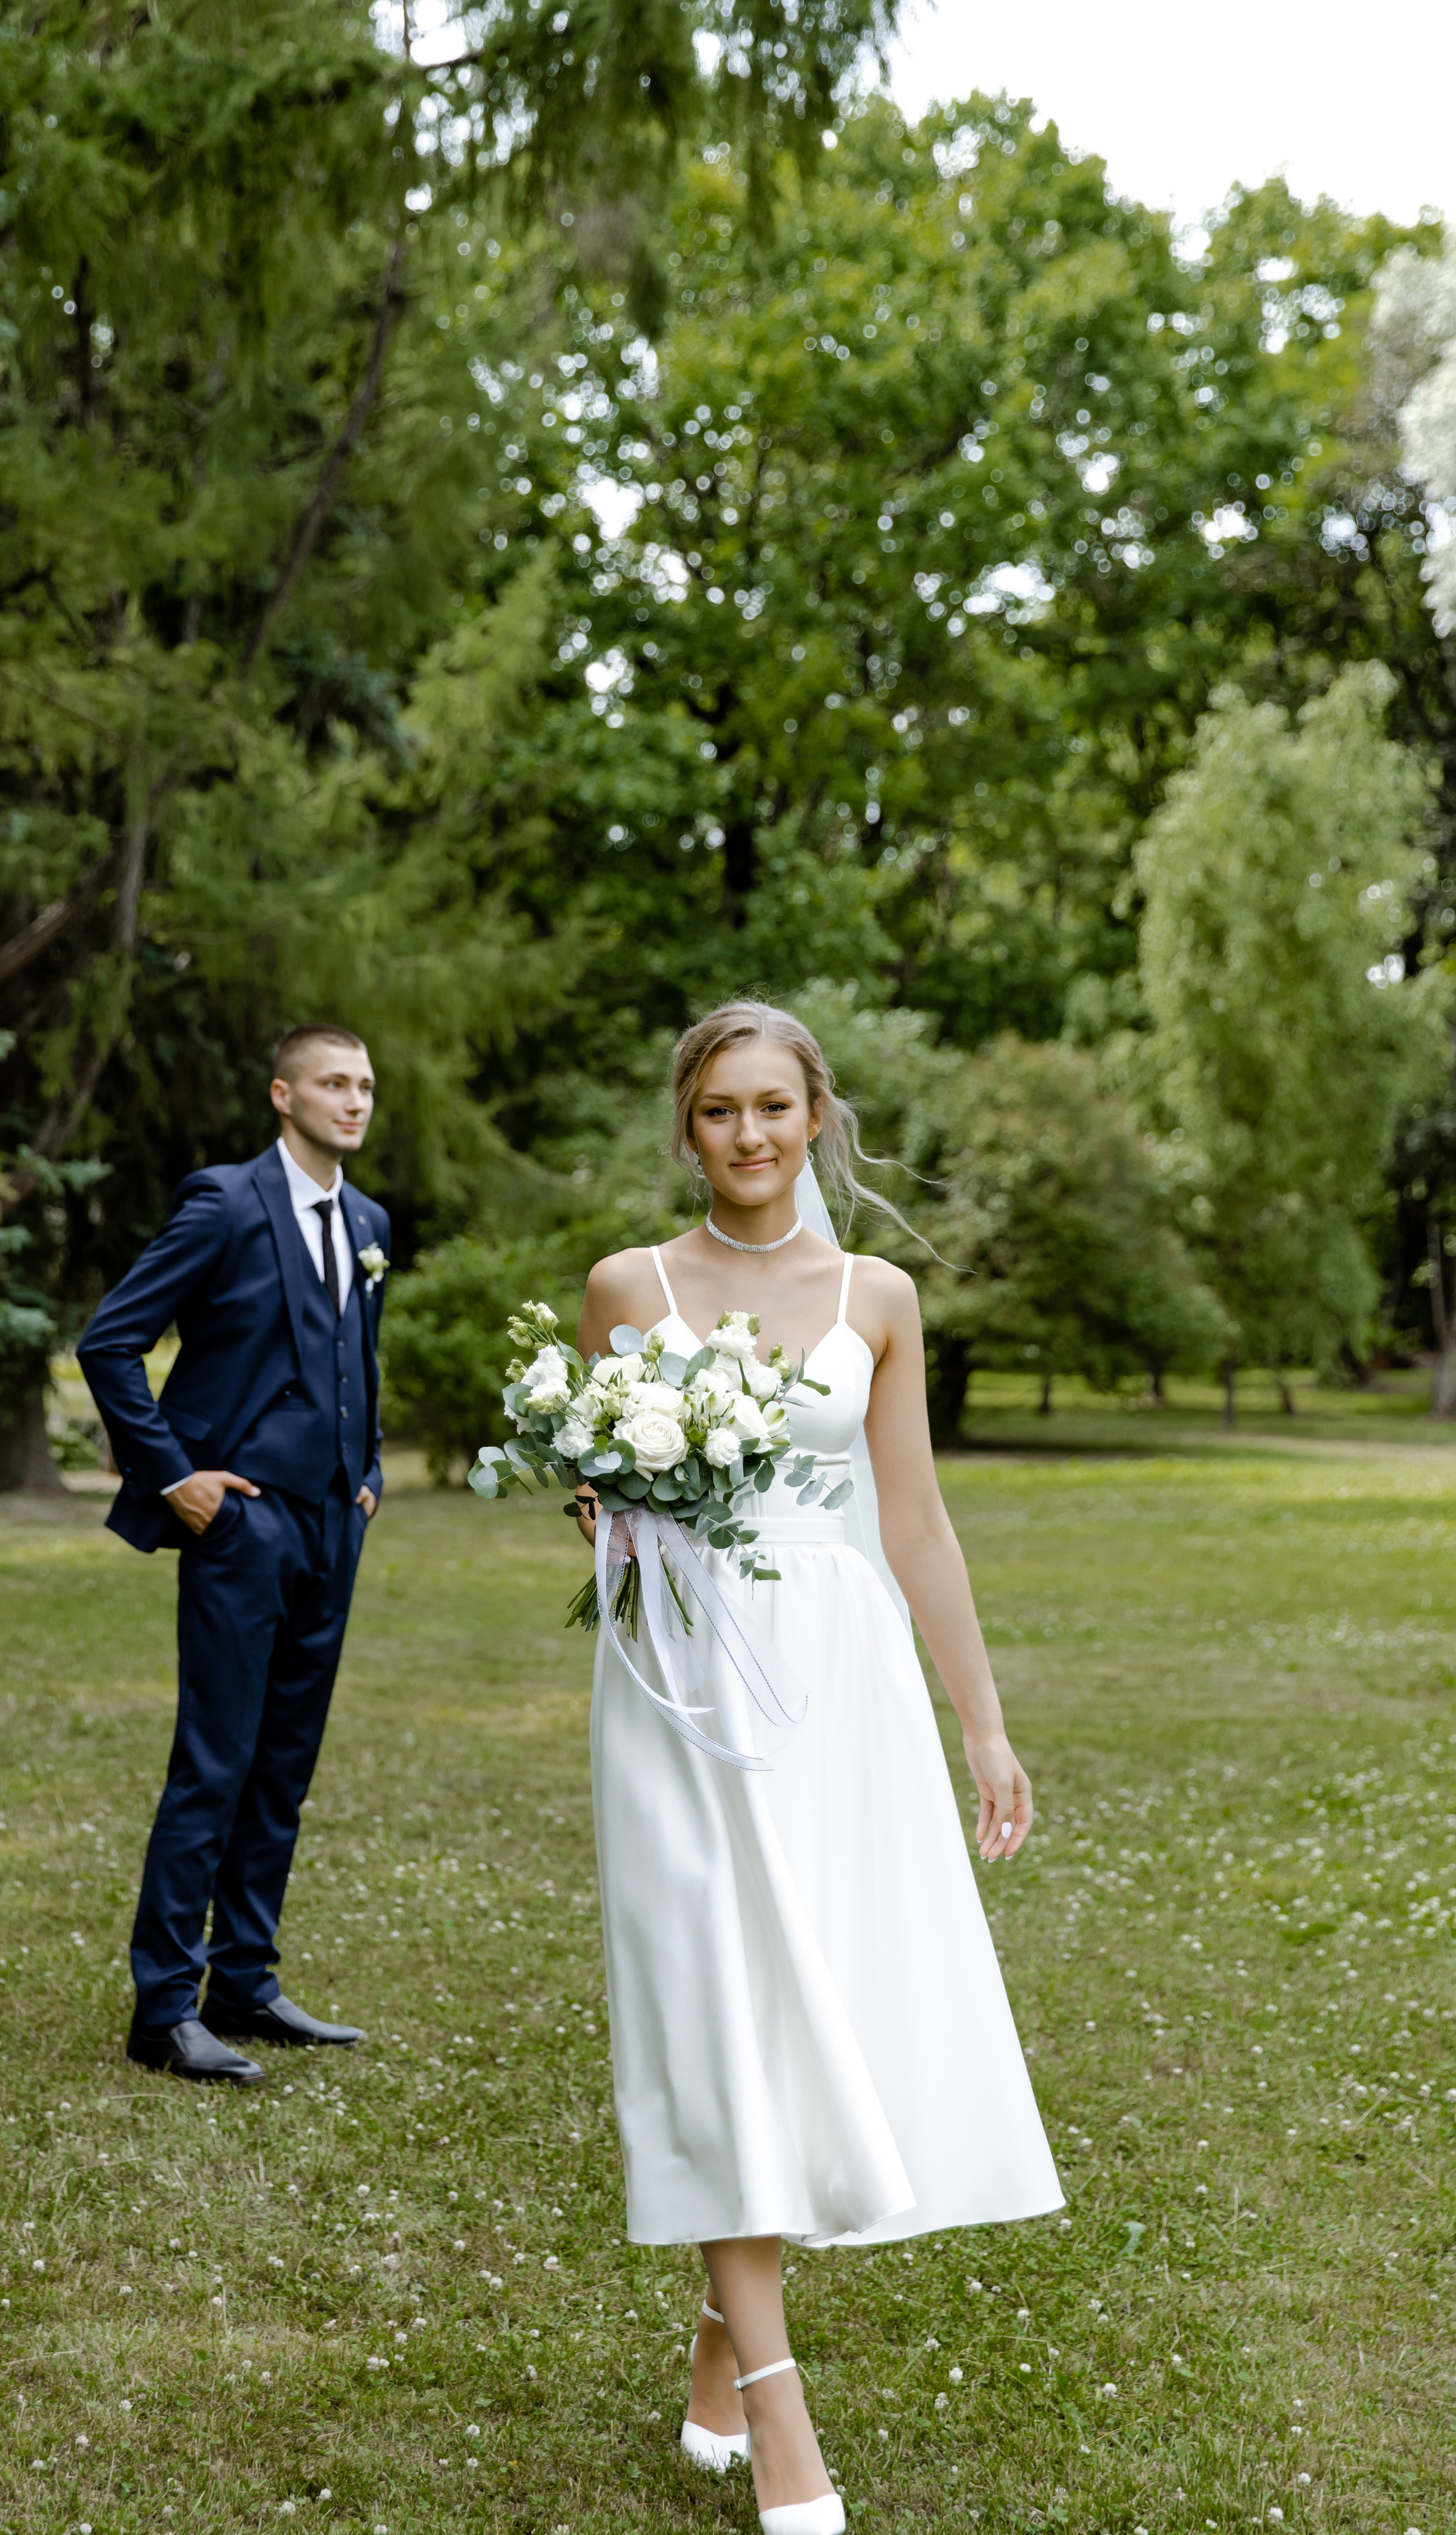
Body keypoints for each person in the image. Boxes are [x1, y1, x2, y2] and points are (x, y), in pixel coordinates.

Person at [574, 1002, 1061, 2535]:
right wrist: (605, 1511)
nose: (748, 1135)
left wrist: (981, 1722)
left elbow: (911, 1520)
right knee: (713, 1999)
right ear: (686, 1125)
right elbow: (598, 1500)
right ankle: (781, 2416)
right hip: (679, 1681)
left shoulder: (876, 1295)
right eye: (719, 1109)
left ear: (816, 1116)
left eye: (772, 1106)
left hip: (838, 1681)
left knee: (807, 2001)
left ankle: (720, 2345)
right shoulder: (626, 1288)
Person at [77, 1024, 391, 2086]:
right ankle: (164, 2008)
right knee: (214, 1764)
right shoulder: (224, 1202)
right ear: (283, 1096)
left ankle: (244, 1982)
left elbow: (357, 1356)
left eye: (365, 1085)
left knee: (285, 1766)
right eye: (334, 1083)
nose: (355, 1101)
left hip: (334, 1522)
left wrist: (369, 1470)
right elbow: (110, 1341)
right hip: (241, 1524)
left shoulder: (369, 1222)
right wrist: (179, 1478)